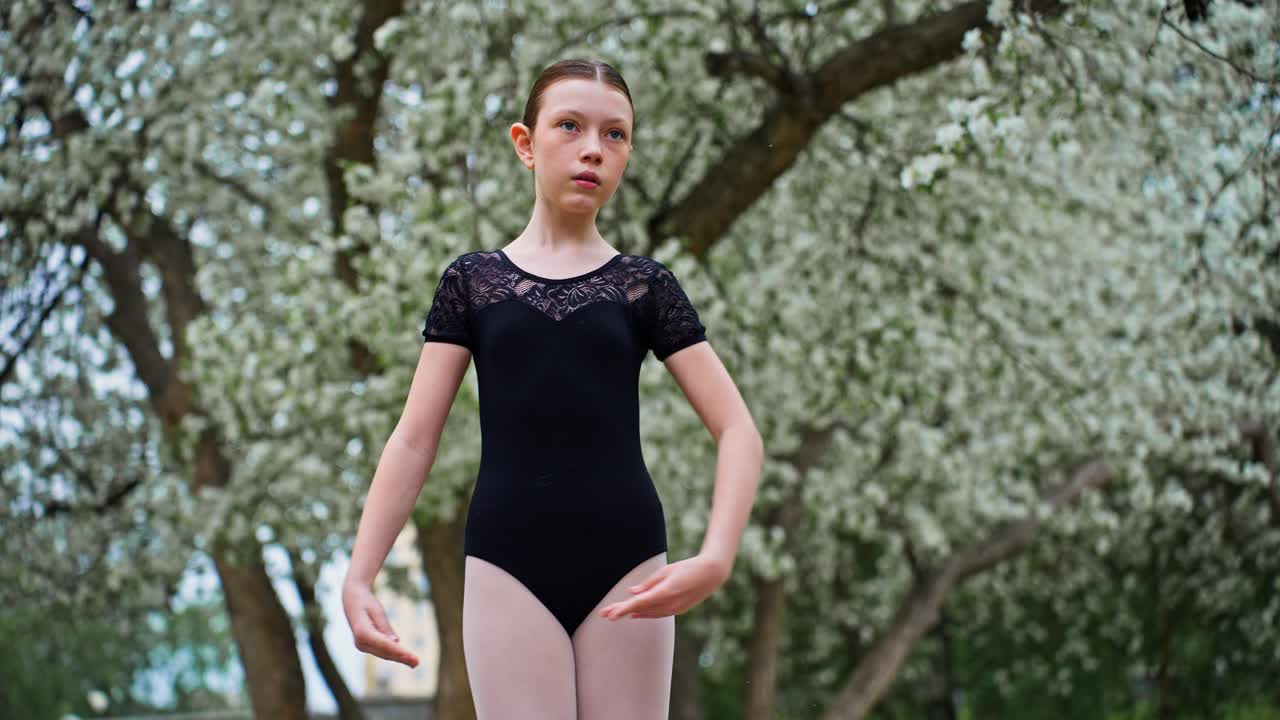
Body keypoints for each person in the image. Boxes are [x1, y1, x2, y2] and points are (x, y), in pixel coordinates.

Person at [342, 58, 763, 719]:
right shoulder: (472, 284)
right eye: (570, 126)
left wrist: (716, 556)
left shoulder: (644, 287)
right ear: (525, 144)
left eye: (615, 134)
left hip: (629, 566)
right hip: (506, 566)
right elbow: (415, 439)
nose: (594, 147)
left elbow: (738, 429)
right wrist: (360, 572)